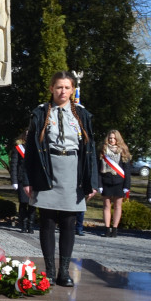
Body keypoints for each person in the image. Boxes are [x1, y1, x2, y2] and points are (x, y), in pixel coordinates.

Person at [23, 71, 98, 287]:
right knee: (46, 220)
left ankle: (64, 271)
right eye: (58, 87)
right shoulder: (40, 113)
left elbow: (90, 149)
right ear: (51, 89)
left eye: (67, 87)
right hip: (47, 168)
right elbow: (30, 149)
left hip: (73, 169)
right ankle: (49, 270)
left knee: (68, 221)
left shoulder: (82, 115)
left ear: (73, 90)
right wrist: (27, 179)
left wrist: (92, 181)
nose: (62, 91)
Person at [98, 130, 132, 238]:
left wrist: (127, 186)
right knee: (106, 206)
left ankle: (115, 229)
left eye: (114, 138)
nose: (112, 140)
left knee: (118, 206)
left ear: (118, 139)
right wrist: (99, 184)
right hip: (106, 181)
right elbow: (98, 170)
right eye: (110, 138)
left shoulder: (123, 151)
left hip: (119, 182)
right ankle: (107, 229)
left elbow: (127, 170)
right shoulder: (102, 151)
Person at [9, 129, 34, 234]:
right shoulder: (18, 149)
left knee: (33, 204)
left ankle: (31, 225)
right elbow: (14, 166)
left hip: (33, 181)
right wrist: (14, 181)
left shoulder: (37, 149)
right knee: (23, 203)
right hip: (21, 180)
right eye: (27, 135)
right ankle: (23, 225)